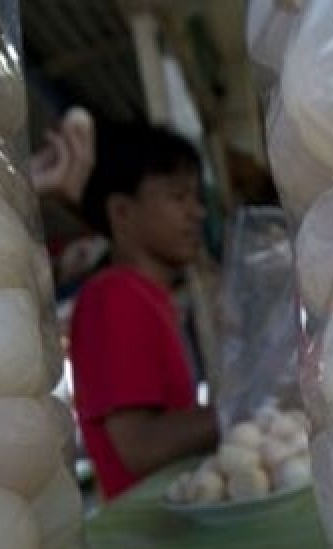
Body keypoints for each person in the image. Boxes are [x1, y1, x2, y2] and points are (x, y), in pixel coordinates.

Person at [68, 123, 219, 500]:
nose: (197, 212)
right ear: (121, 210)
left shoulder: (152, 300)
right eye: (177, 196)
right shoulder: (115, 295)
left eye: (197, 197)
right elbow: (139, 448)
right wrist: (248, 406)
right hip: (153, 540)